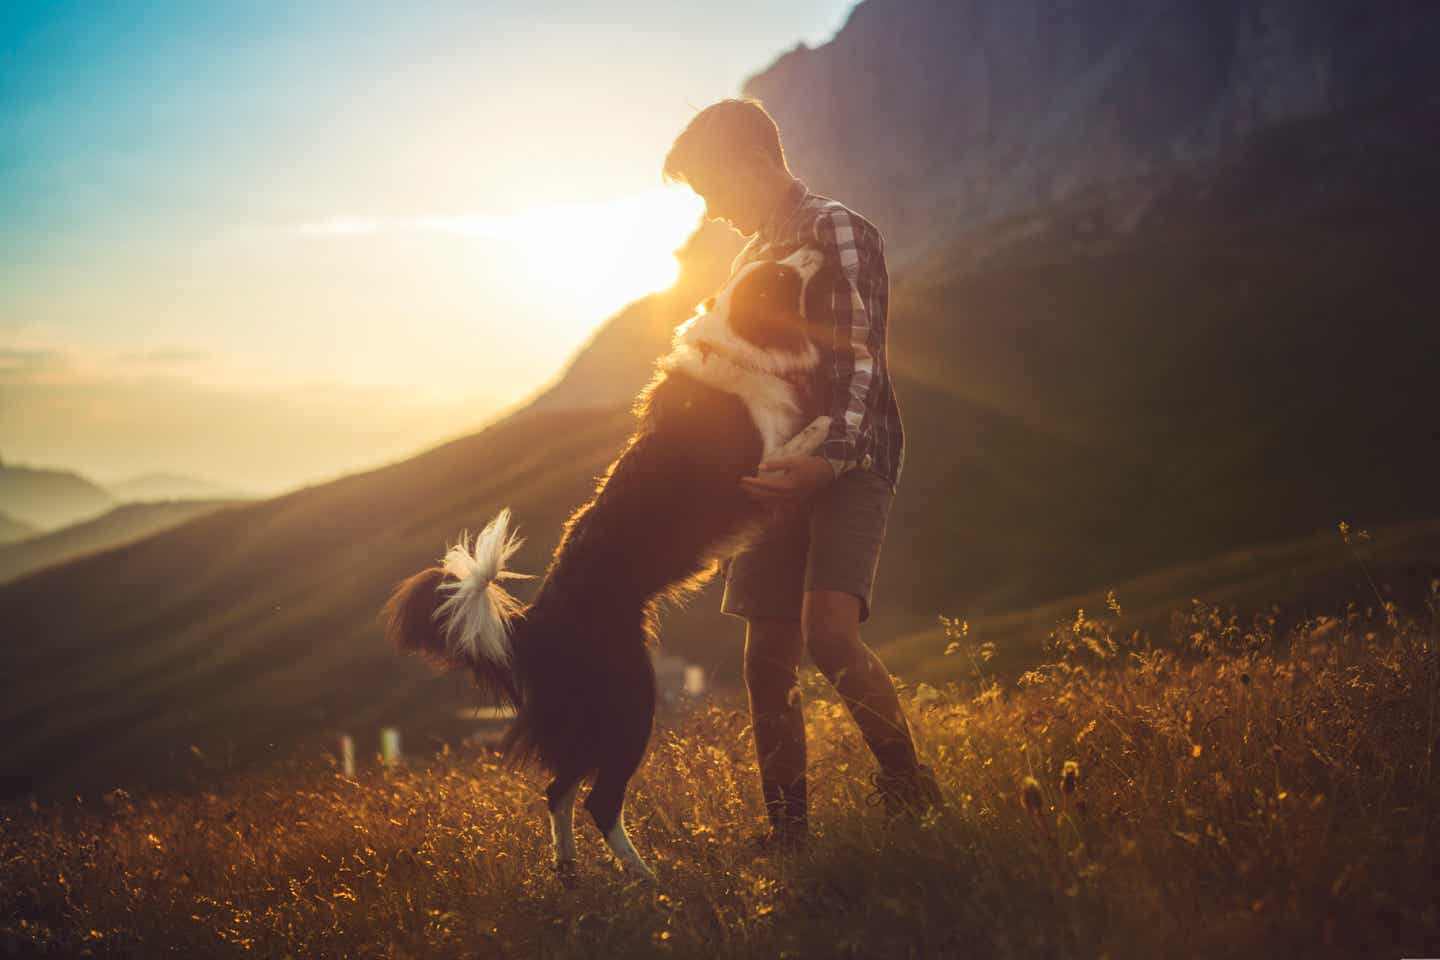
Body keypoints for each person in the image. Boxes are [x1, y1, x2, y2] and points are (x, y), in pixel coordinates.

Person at [662, 98, 943, 850]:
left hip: (849, 458)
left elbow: (858, 364)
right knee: (764, 660)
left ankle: (913, 794)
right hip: (776, 467)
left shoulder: (837, 229)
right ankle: (789, 836)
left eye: (713, 189)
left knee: (829, 635)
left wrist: (822, 465)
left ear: (753, 161)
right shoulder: (754, 256)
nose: (713, 210)